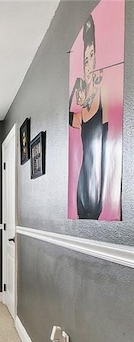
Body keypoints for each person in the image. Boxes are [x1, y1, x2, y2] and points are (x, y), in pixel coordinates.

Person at [69, 14, 108, 220]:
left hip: (100, 176)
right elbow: (66, 117)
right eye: (85, 59)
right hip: (84, 178)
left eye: (92, 55)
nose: (89, 63)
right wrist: (75, 90)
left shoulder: (104, 94)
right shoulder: (82, 110)